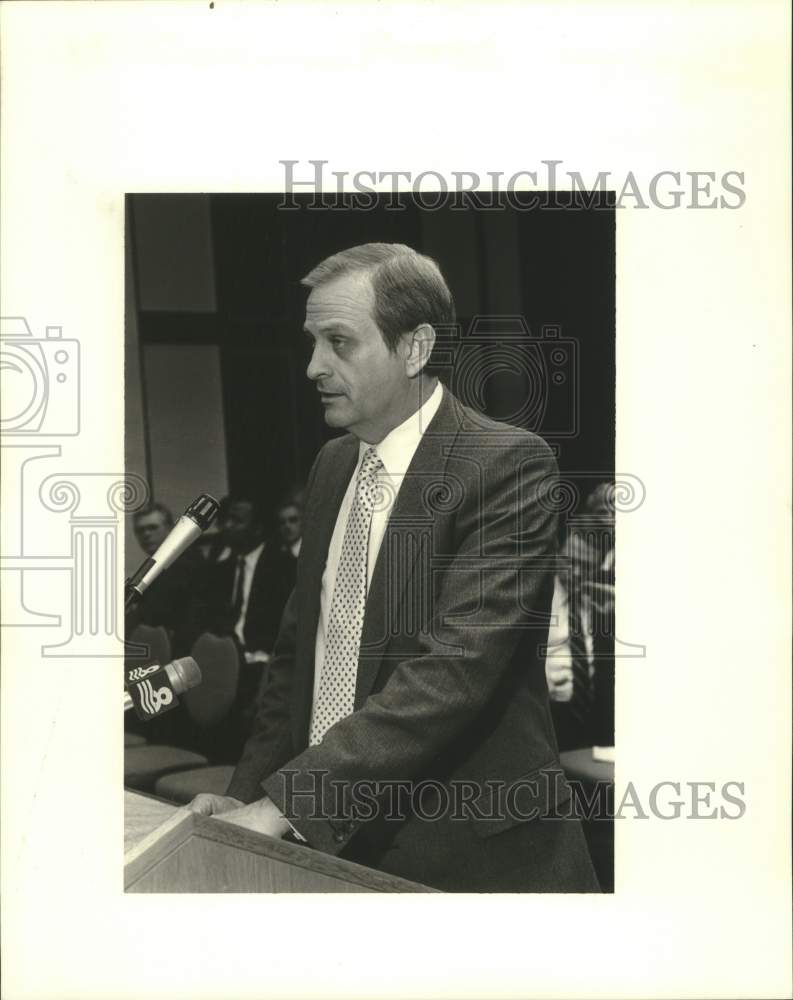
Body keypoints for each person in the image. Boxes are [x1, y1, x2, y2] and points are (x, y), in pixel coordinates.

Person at [189, 243, 598, 892]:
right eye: (312, 341)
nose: (313, 366)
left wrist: (292, 801)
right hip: (330, 843)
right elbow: (300, 659)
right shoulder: (331, 466)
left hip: (470, 860)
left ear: (414, 348)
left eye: (339, 343)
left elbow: (453, 673)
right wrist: (247, 799)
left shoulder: (505, 464)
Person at [128, 501, 204, 655]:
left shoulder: (187, 563)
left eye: (153, 527)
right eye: (140, 530)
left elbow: (154, 615)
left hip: (183, 654)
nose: (146, 534)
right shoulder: (155, 566)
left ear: (171, 529)